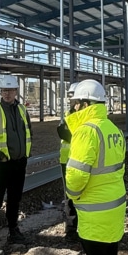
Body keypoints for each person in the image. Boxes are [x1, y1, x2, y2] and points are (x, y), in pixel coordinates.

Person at [65, 79, 126, 255]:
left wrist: (73, 196)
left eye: (76, 103)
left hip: (94, 209)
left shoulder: (86, 131)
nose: (73, 108)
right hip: (114, 205)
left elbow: (76, 176)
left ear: (84, 104)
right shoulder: (112, 128)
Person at [0, 73, 32, 251]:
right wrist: (0, 156)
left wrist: (25, 154)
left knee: (14, 199)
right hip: (2, 164)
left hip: (19, 162)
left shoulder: (22, 110)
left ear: (16, 91)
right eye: (4, 90)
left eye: (10, 90)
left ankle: (13, 230)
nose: (7, 93)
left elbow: (28, 132)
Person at [57, 81, 80, 243]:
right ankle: (71, 229)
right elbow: (61, 131)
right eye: (71, 97)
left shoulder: (85, 117)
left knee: (83, 194)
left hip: (80, 159)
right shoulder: (68, 114)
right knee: (69, 196)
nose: (72, 101)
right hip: (66, 160)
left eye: (74, 97)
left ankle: (84, 227)